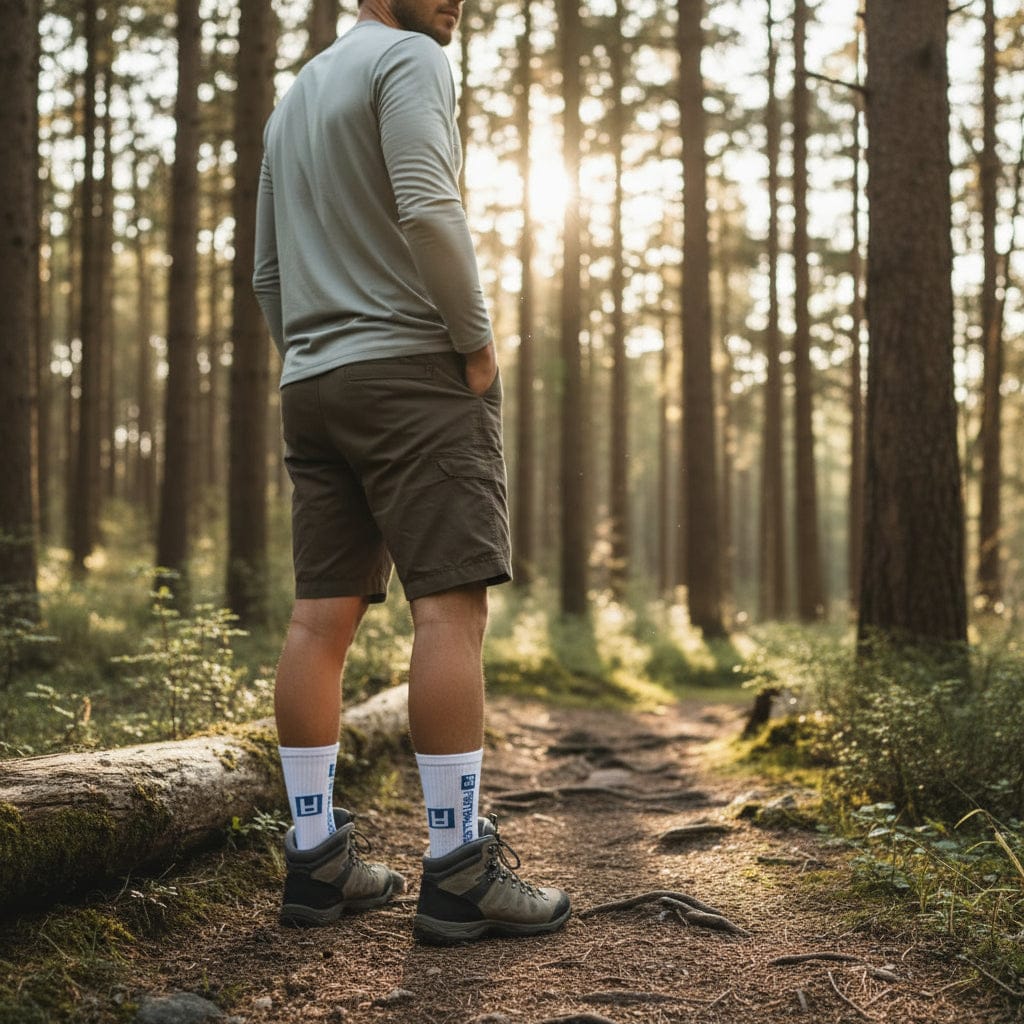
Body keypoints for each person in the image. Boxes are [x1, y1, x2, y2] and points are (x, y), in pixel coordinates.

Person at [252, 0, 570, 944]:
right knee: (450, 608)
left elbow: (269, 270)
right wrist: (474, 343)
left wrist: (315, 354)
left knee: (320, 616)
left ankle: (315, 862)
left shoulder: (294, 97)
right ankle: (458, 866)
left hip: (312, 381)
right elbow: (430, 206)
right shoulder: (412, 60)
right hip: (411, 373)